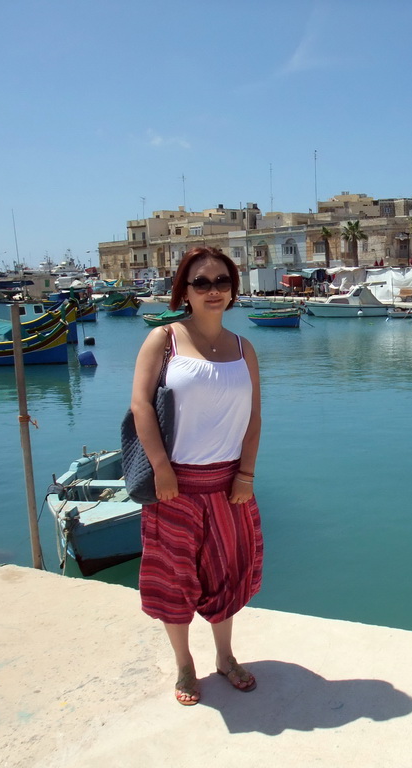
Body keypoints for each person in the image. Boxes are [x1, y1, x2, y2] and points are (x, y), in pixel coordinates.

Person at [130, 245, 263, 706]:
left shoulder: (244, 348)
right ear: (184, 289)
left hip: (228, 485)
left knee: (227, 575)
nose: (213, 290)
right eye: (202, 282)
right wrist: (162, 469)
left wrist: (245, 475)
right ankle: (185, 666)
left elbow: (253, 418)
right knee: (175, 578)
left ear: (233, 290)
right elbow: (141, 406)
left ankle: (224, 657)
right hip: (174, 486)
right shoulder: (163, 339)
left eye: (222, 282)